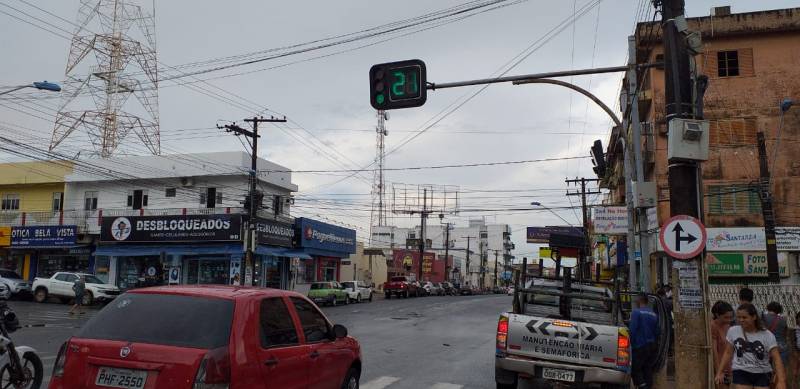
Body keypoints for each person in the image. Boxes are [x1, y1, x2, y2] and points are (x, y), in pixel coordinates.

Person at [716, 303, 786, 389]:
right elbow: (728, 352)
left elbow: (777, 359)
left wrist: (781, 381)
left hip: (762, 373)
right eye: (739, 317)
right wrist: (720, 372)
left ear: (754, 317)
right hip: (741, 371)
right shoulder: (733, 331)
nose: (741, 320)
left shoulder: (767, 335)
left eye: (744, 317)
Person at [629, 293, 659, 389]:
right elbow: (657, 332)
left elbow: (632, 331)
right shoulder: (654, 315)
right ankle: (648, 386)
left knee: (635, 369)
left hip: (640, 346)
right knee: (647, 368)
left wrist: (630, 345)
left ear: (639, 301)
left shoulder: (636, 313)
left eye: (636, 300)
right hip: (651, 346)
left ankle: (643, 387)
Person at [711, 301, 735, 388]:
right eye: (726, 317)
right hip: (720, 368)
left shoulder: (727, 326)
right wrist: (719, 371)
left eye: (730, 317)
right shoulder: (713, 326)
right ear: (717, 315)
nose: (729, 320)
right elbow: (714, 351)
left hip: (729, 367)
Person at [761, 302, 789, 367]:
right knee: (780, 367)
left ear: (768, 307)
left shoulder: (764, 317)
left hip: (767, 345)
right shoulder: (783, 319)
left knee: (767, 367)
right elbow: (785, 334)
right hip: (781, 346)